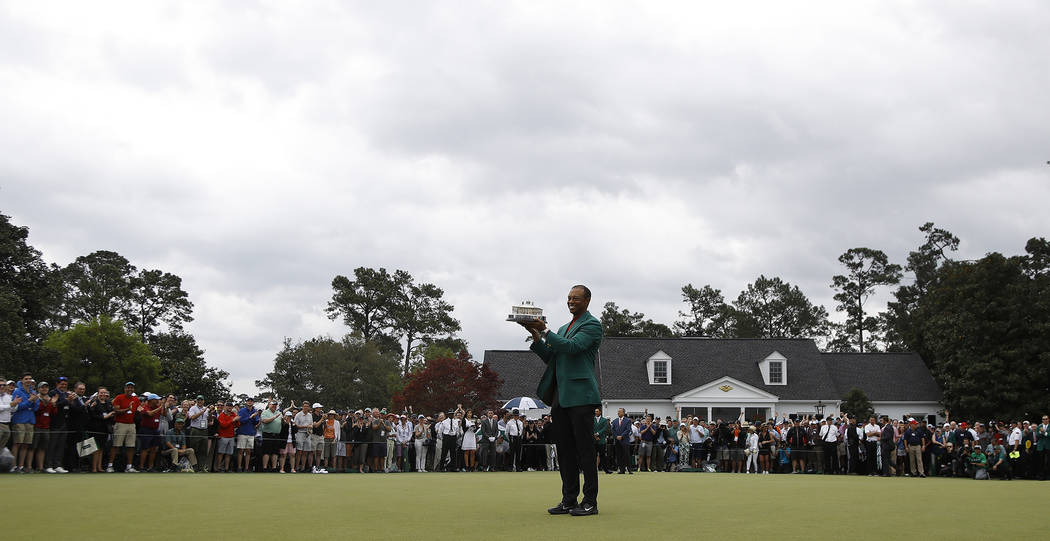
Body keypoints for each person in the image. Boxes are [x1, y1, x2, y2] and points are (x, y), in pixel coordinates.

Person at [521, 284, 603, 516]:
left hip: (581, 396)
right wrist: (537, 336)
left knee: (585, 450)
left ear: (587, 300)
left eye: (576, 298)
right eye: (568, 298)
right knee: (565, 450)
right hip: (560, 396)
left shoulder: (592, 325)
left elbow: (572, 347)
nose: (571, 301)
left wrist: (546, 331)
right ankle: (568, 499)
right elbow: (553, 357)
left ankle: (589, 502)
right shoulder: (563, 327)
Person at [107, 382, 140, 473]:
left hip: (131, 424)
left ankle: (129, 467)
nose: (130, 389)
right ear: (124, 389)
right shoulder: (119, 397)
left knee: (131, 446)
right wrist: (127, 409)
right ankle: (110, 466)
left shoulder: (136, 399)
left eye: (132, 388)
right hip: (120, 423)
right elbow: (116, 410)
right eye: (128, 387)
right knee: (116, 445)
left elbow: (138, 409)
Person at [11, 373, 40, 473]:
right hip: (19, 420)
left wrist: (34, 401)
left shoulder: (33, 392)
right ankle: (13, 466)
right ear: (22, 380)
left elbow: (36, 408)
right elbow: (16, 407)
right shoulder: (17, 391)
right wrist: (29, 401)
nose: (28, 380)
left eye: (30, 379)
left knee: (26, 444)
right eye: (26, 379)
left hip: (30, 420)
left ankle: (21, 466)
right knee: (17, 443)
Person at [86, 387, 115, 473]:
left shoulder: (108, 403)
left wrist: (110, 415)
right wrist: (105, 416)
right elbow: (92, 415)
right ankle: (94, 468)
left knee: (101, 448)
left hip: (105, 429)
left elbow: (111, 414)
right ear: (98, 393)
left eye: (104, 393)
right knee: (96, 448)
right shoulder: (94, 403)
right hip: (96, 428)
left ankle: (99, 467)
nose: (103, 394)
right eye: (101, 393)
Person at [236, 398, 260, 472]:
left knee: (248, 451)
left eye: (251, 401)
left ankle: (246, 468)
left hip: (251, 433)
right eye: (248, 401)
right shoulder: (242, 411)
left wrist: (256, 418)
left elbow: (255, 423)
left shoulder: (254, 411)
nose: (250, 402)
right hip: (242, 432)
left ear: (253, 403)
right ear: (246, 402)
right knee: (241, 450)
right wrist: (250, 417)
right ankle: (239, 467)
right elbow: (240, 421)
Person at [215, 402, 239, 472]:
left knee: (229, 453)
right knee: (221, 453)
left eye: (231, 406)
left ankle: (226, 468)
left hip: (231, 436)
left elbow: (237, 425)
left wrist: (236, 420)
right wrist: (232, 420)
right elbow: (223, 425)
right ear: (225, 407)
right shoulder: (221, 415)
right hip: (223, 436)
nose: (229, 407)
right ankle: (218, 468)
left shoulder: (233, 414)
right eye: (228, 406)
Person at [259, 401, 283, 472]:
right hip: (267, 434)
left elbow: (281, 422)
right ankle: (265, 468)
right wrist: (274, 417)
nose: (274, 406)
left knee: (275, 452)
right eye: (273, 405)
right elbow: (265, 421)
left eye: (275, 405)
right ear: (269, 405)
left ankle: (274, 468)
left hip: (276, 435)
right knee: (266, 452)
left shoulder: (278, 413)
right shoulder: (265, 412)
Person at [611, 408, 632, 474]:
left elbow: (628, 429)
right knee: (619, 455)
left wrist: (621, 436)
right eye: (618, 412)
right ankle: (621, 470)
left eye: (620, 412)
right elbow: (613, 430)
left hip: (625, 440)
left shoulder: (628, 420)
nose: (618, 413)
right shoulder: (615, 421)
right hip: (617, 441)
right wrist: (617, 436)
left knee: (626, 455)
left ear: (623, 413)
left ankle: (629, 469)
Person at [593, 408, 611, 474]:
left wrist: (598, 434)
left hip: (601, 441)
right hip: (594, 440)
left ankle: (606, 469)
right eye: (595, 411)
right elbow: (590, 427)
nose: (596, 412)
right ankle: (592, 469)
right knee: (593, 456)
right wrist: (594, 435)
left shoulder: (604, 420)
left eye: (597, 411)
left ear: (600, 412)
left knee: (602, 455)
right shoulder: (592, 419)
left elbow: (605, 428)